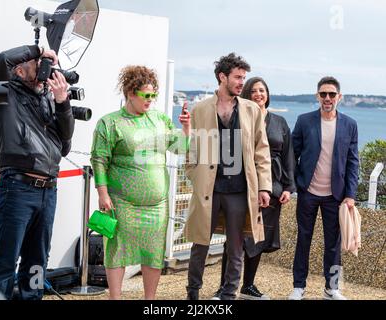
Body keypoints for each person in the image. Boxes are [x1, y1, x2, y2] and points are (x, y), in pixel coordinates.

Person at [90, 65, 191, 300]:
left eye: (153, 95)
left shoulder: (159, 119)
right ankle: (114, 297)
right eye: (146, 95)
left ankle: (150, 301)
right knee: (116, 251)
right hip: (122, 202)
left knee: (154, 253)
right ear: (130, 93)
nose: (151, 100)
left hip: (157, 205)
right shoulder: (110, 123)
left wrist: (185, 128)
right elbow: (99, 160)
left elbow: (178, 148)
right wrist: (103, 194)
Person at [184, 53, 272, 300]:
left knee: (236, 247)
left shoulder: (252, 110)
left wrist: (264, 188)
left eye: (243, 77)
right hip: (208, 190)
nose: (241, 82)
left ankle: (229, 295)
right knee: (199, 244)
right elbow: (193, 150)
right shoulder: (200, 108)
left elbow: (261, 150)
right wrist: (196, 177)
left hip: (239, 190)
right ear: (222, 77)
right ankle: (192, 294)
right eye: (237, 77)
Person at [0, 45, 75, 300]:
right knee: (6, 258)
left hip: (48, 191)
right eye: (36, 63)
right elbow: (3, 58)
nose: (42, 67)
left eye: (44, 64)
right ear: (19, 69)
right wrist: (41, 50)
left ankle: (32, 297)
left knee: (38, 259)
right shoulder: (2, 94)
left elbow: (66, 143)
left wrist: (62, 103)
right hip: (17, 187)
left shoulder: (47, 100)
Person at [214, 77, 296, 300]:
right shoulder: (238, 118)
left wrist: (289, 186)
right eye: (254, 91)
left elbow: (288, 155)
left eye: (262, 90)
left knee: (259, 239)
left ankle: (247, 286)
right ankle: (224, 287)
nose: (258, 94)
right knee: (235, 238)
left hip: (273, 187)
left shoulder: (280, 122)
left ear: (267, 94)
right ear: (246, 95)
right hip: (243, 185)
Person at [289, 76, 359, 300]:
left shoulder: (350, 124)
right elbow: (292, 155)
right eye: (323, 94)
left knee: (334, 244)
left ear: (339, 97)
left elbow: (352, 161)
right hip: (308, 192)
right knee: (303, 240)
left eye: (331, 94)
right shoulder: (304, 120)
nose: (327, 98)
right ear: (317, 96)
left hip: (335, 196)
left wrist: (350, 194)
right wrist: (295, 184)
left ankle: (332, 288)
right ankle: (298, 287)